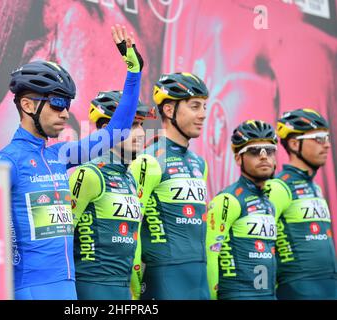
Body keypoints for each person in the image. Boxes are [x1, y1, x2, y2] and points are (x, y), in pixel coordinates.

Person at [0, 25, 144, 300]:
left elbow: (116, 132)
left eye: (67, 104)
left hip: (68, 288)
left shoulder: (59, 155)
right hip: (29, 289)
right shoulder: (8, 162)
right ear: (28, 105)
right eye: (56, 102)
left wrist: (133, 72)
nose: (65, 112)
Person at [129, 72, 210, 300]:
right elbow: (131, 226)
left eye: (204, 107)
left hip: (200, 276)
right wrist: (134, 284)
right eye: (195, 106)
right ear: (168, 110)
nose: (203, 114)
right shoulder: (148, 159)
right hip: (164, 278)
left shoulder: (199, 163)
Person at [68, 91, 154, 300]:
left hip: (123, 288)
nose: (141, 133)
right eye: (133, 125)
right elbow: (62, 238)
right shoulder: (88, 173)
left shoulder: (130, 179)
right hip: (91, 287)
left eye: (141, 125)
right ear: (108, 129)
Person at [266, 108, 336, 300]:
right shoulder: (278, 186)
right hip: (297, 288)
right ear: (295, 144)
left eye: (328, 138)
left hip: (329, 286)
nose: (327, 145)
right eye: (319, 138)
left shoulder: (316, 188)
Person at [206, 120, 278, 300]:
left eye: (269, 151)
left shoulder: (270, 204)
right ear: (238, 158)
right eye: (254, 151)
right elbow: (210, 254)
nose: (264, 156)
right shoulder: (228, 199)